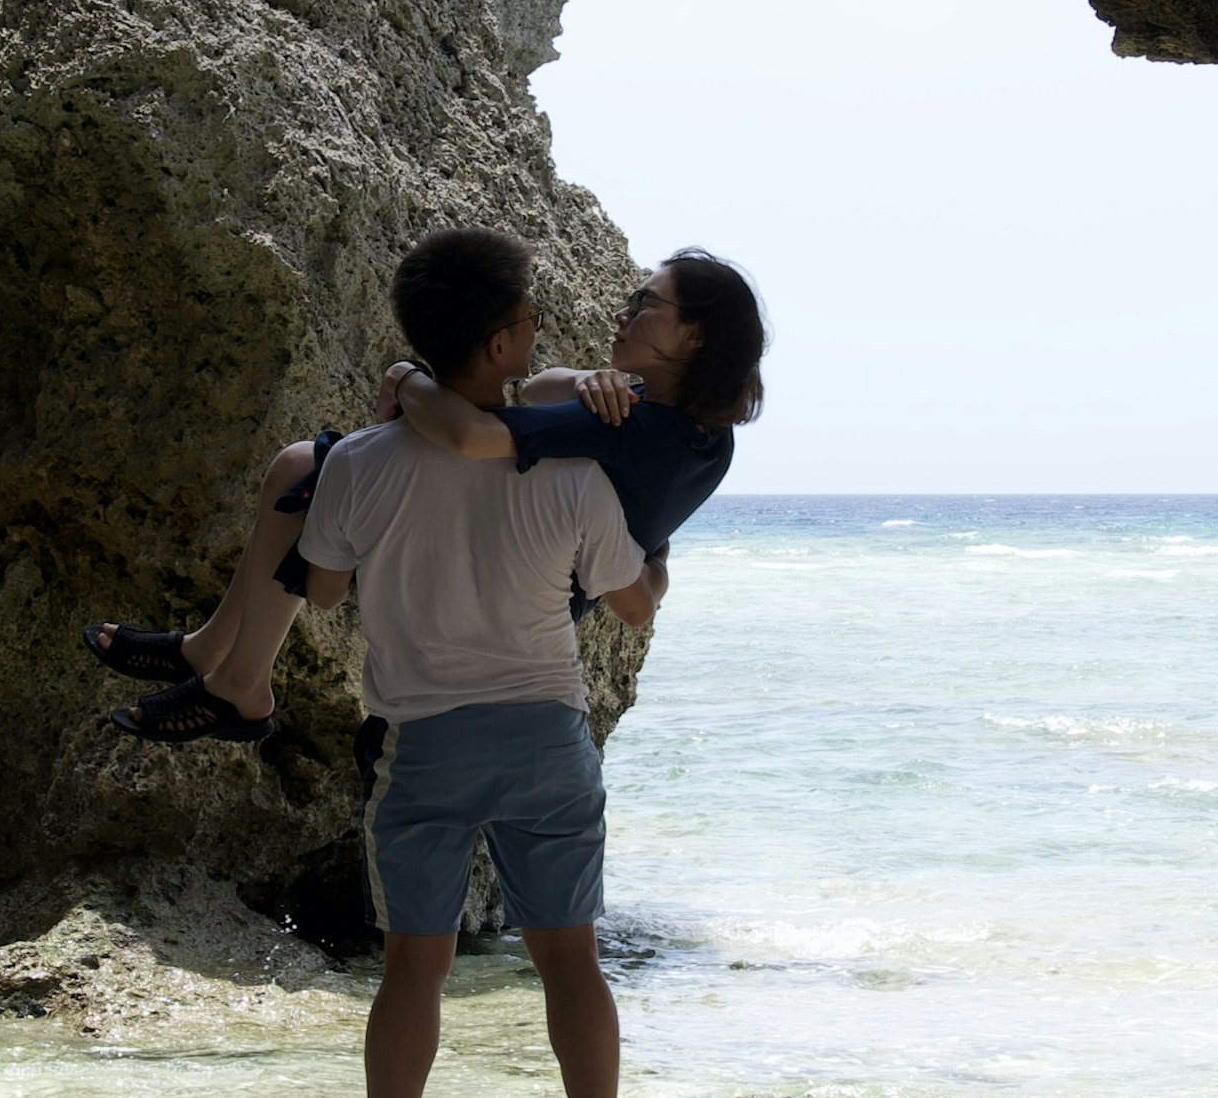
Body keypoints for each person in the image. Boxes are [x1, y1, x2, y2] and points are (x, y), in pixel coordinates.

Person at [263, 227, 656, 1098]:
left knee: (414, 966)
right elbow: (632, 603)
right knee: (571, 956)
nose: (536, 337)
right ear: (497, 343)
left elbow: (319, 590)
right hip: (545, 736)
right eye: (527, 324)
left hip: (422, 743)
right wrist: (656, 545)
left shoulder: (360, 463)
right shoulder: (570, 467)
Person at [89, 242, 766, 749]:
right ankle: (213, 653)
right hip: (548, 576)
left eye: (647, 303)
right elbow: (538, 389)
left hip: (499, 565)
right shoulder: (708, 436)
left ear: (695, 333)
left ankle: (240, 683)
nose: (625, 311)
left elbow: (471, 434)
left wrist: (406, 377)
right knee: (306, 467)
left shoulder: (623, 426)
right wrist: (596, 376)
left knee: (304, 471)